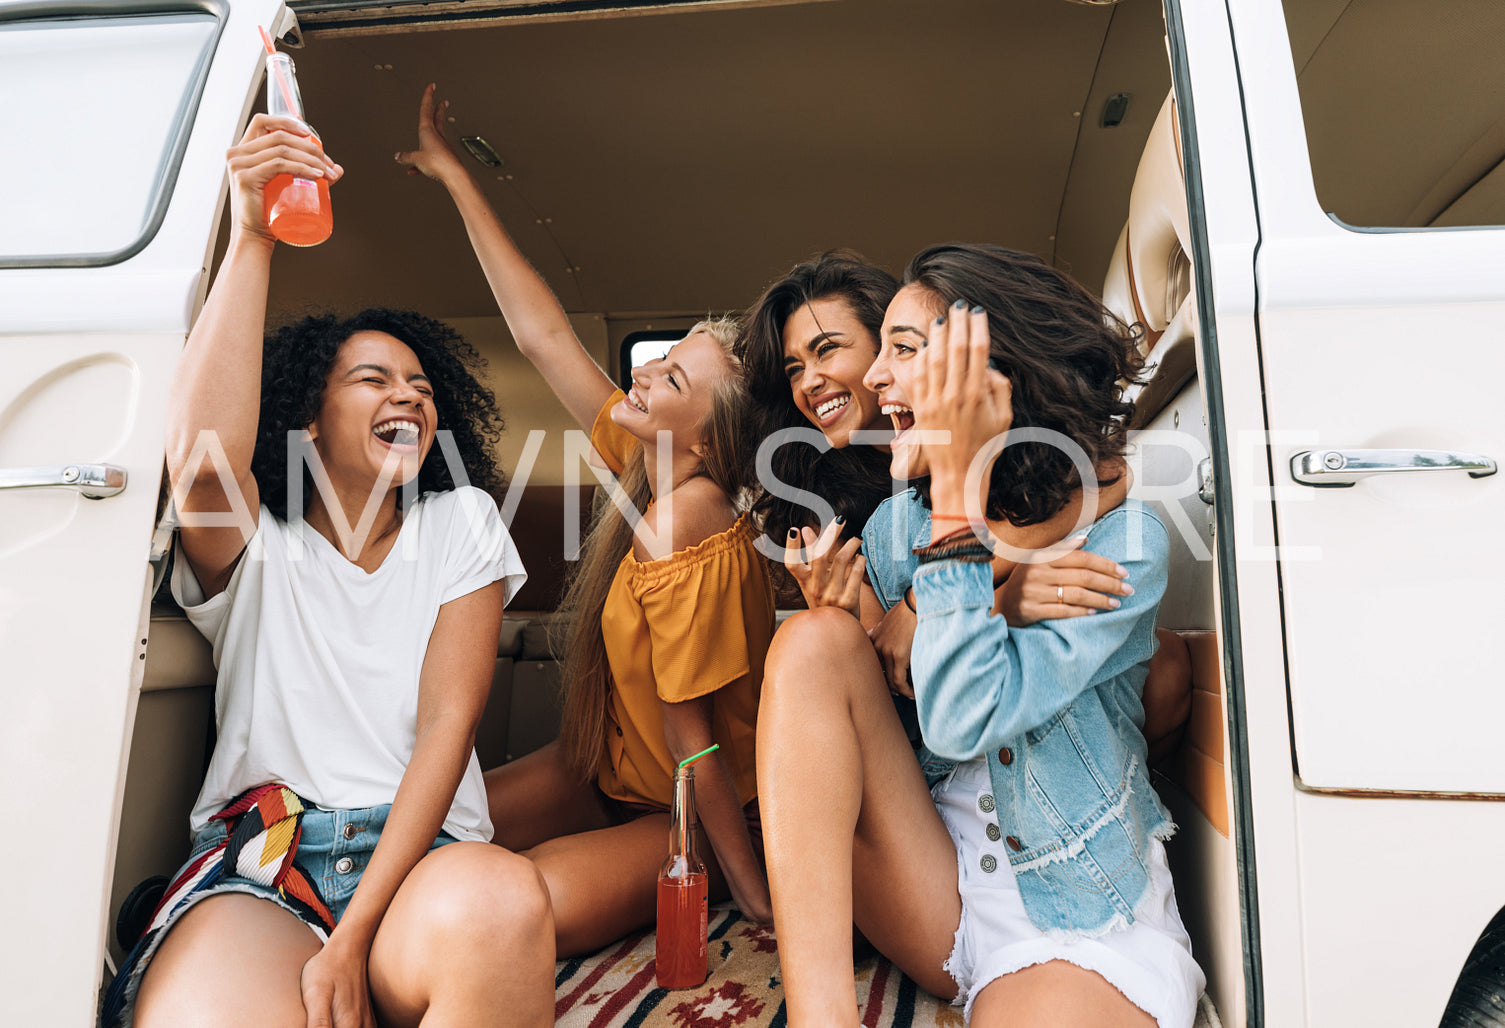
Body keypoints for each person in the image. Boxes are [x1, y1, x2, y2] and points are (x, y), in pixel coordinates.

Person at [110, 114, 555, 1028]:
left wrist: (352, 940)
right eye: (374, 380)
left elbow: (447, 726)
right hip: (267, 861)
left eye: (422, 387)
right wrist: (253, 237)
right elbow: (199, 463)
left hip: (422, 856)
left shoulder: (459, 523)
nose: (409, 396)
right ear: (309, 422)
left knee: (502, 901)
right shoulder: (256, 547)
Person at [758, 243, 1205, 1027]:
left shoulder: (1123, 542)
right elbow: (892, 708)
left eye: (901, 350)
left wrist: (962, 508)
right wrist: (978, 600)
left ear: (990, 373)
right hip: (933, 885)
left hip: (1075, 903)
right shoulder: (897, 526)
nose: (871, 378)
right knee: (811, 641)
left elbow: (967, 711)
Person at [397, 85, 774, 954]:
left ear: (714, 439)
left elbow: (694, 744)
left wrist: (749, 891)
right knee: (409, 836)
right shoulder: (646, 459)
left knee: (502, 916)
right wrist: (455, 175)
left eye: (672, 380)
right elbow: (542, 339)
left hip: (689, 810)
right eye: (662, 356)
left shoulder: (693, 515)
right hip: (599, 774)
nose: (644, 378)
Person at [739, 252, 1188, 755]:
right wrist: (999, 602)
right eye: (794, 369)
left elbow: (1103, 480)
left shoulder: (1019, 477)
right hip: (924, 731)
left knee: (1164, 656)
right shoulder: (847, 511)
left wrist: (933, 597)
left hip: (1009, 737)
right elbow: (892, 666)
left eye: (827, 350)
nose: (808, 381)